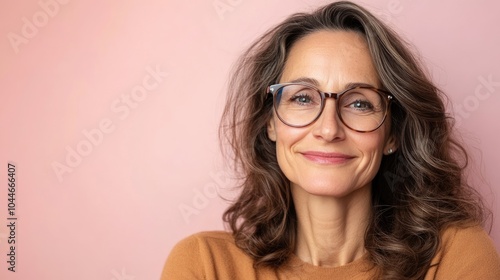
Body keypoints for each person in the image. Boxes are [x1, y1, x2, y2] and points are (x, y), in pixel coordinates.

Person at [162, 1, 500, 279]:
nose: (328, 129)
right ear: (270, 123)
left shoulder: (455, 257)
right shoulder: (206, 265)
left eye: (359, 103)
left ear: (392, 134)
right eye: (303, 98)